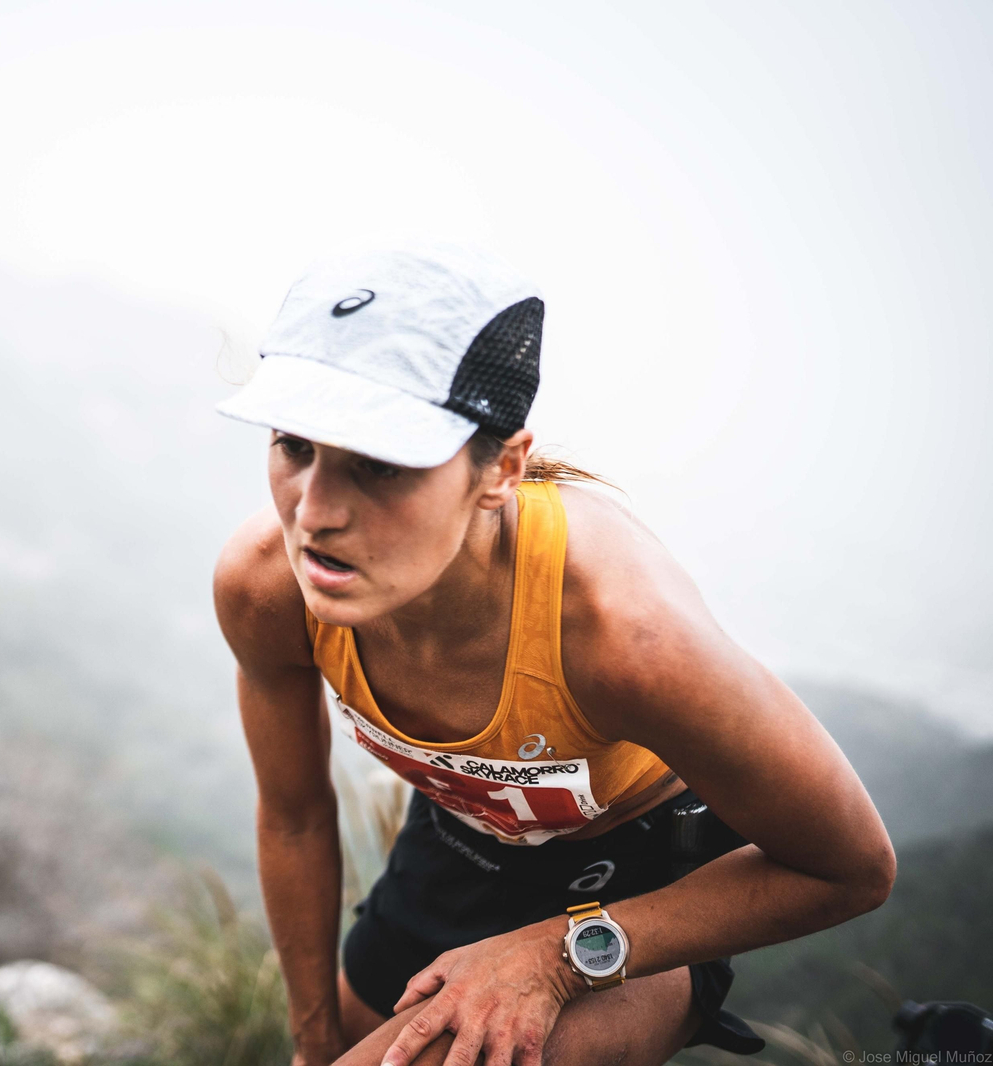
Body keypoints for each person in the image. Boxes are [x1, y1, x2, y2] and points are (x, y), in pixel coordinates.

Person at [211, 245, 896, 1066]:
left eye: (381, 466)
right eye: (294, 445)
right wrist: (312, 1038)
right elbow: (293, 816)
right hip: (453, 845)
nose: (314, 514)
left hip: (643, 887)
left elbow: (851, 868)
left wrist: (554, 955)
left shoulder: (625, 636)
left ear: (499, 469)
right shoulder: (266, 587)